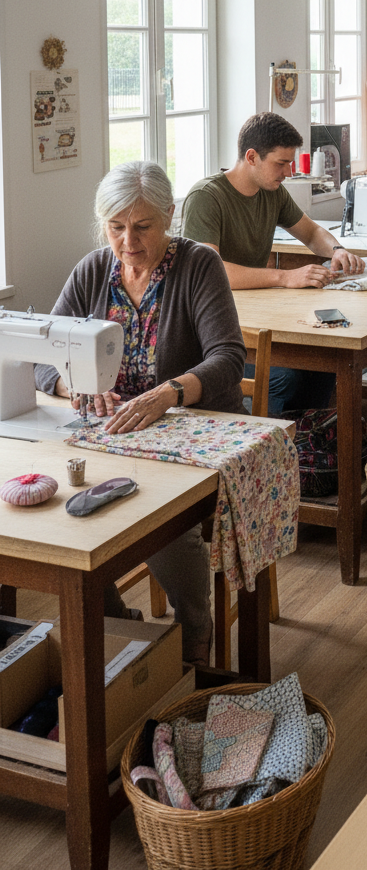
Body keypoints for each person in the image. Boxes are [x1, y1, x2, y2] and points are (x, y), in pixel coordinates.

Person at [35, 161, 248, 664]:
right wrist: (76, 386)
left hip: (185, 430)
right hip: (110, 434)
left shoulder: (198, 266)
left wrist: (168, 393)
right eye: (116, 227)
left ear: (169, 216)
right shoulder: (93, 270)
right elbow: (42, 356)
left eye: (142, 226)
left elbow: (228, 359)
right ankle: (117, 625)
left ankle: (194, 626)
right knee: (69, 515)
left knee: (157, 519)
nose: (128, 241)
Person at [180, 112, 365, 413]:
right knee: (284, 377)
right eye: (281, 163)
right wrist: (285, 277)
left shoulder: (273, 193)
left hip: (253, 316)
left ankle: (303, 445)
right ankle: (262, 445)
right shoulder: (207, 197)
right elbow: (210, 274)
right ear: (251, 157)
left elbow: (312, 231)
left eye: (290, 163)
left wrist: (337, 250)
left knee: (327, 363)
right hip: (213, 330)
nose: (288, 172)